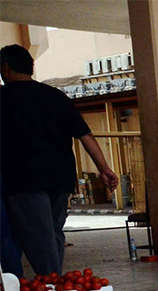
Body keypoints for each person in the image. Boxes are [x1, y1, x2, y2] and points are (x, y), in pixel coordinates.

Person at [0, 44, 118, 275]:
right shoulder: (56, 96)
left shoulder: (3, 98)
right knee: (53, 232)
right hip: (60, 179)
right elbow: (85, 135)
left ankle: (52, 282)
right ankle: (55, 282)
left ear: (6, 67)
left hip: (25, 180)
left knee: (39, 236)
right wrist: (104, 168)